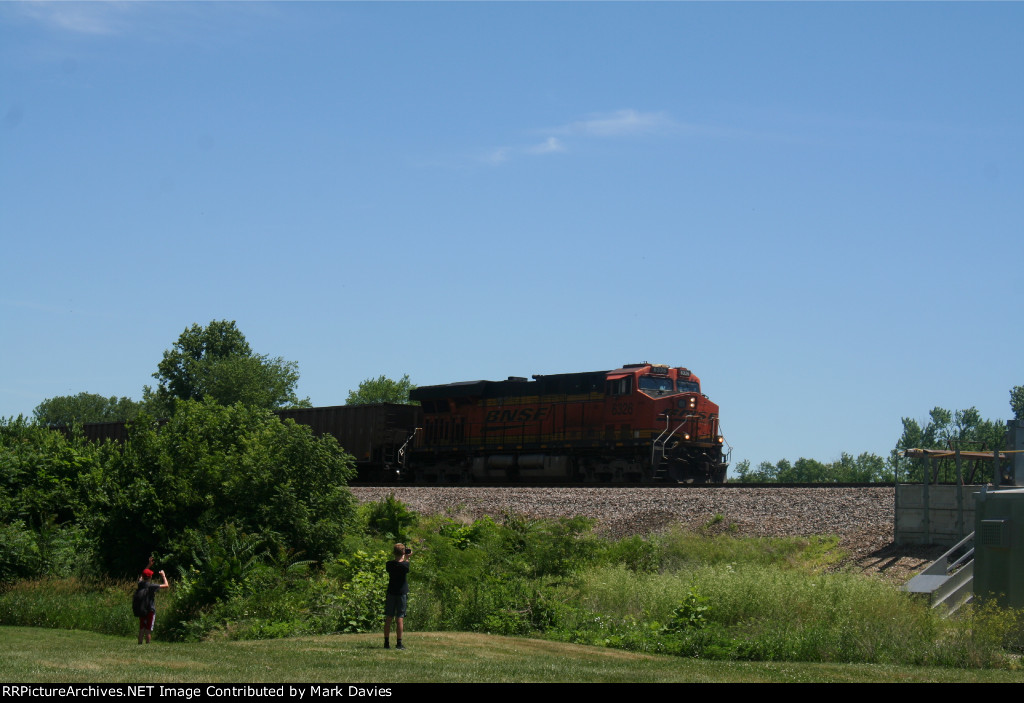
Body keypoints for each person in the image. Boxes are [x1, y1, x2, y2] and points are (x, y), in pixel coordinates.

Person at [383, 543, 411, 650]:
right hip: (401, 593)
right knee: (400, 618)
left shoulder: (389, 564)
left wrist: (404, 557)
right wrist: (407, 558)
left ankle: (386, 642)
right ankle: (399, 643)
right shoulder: (405, 565)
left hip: (391, 593)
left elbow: (395, 564)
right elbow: (405, 565)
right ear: (403, 552)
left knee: (388, 618)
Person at [136, 567, 169, 644]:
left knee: (142, 628)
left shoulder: (140, 584)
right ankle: (147, 644)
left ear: (143, 576)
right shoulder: (152, 586)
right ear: (150, 577)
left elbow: (141, 576)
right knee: (148, 629)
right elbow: (166, 585)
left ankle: (139, 643)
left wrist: (148, 565)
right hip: (150, 610)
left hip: (142, 609)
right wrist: (163, 575)